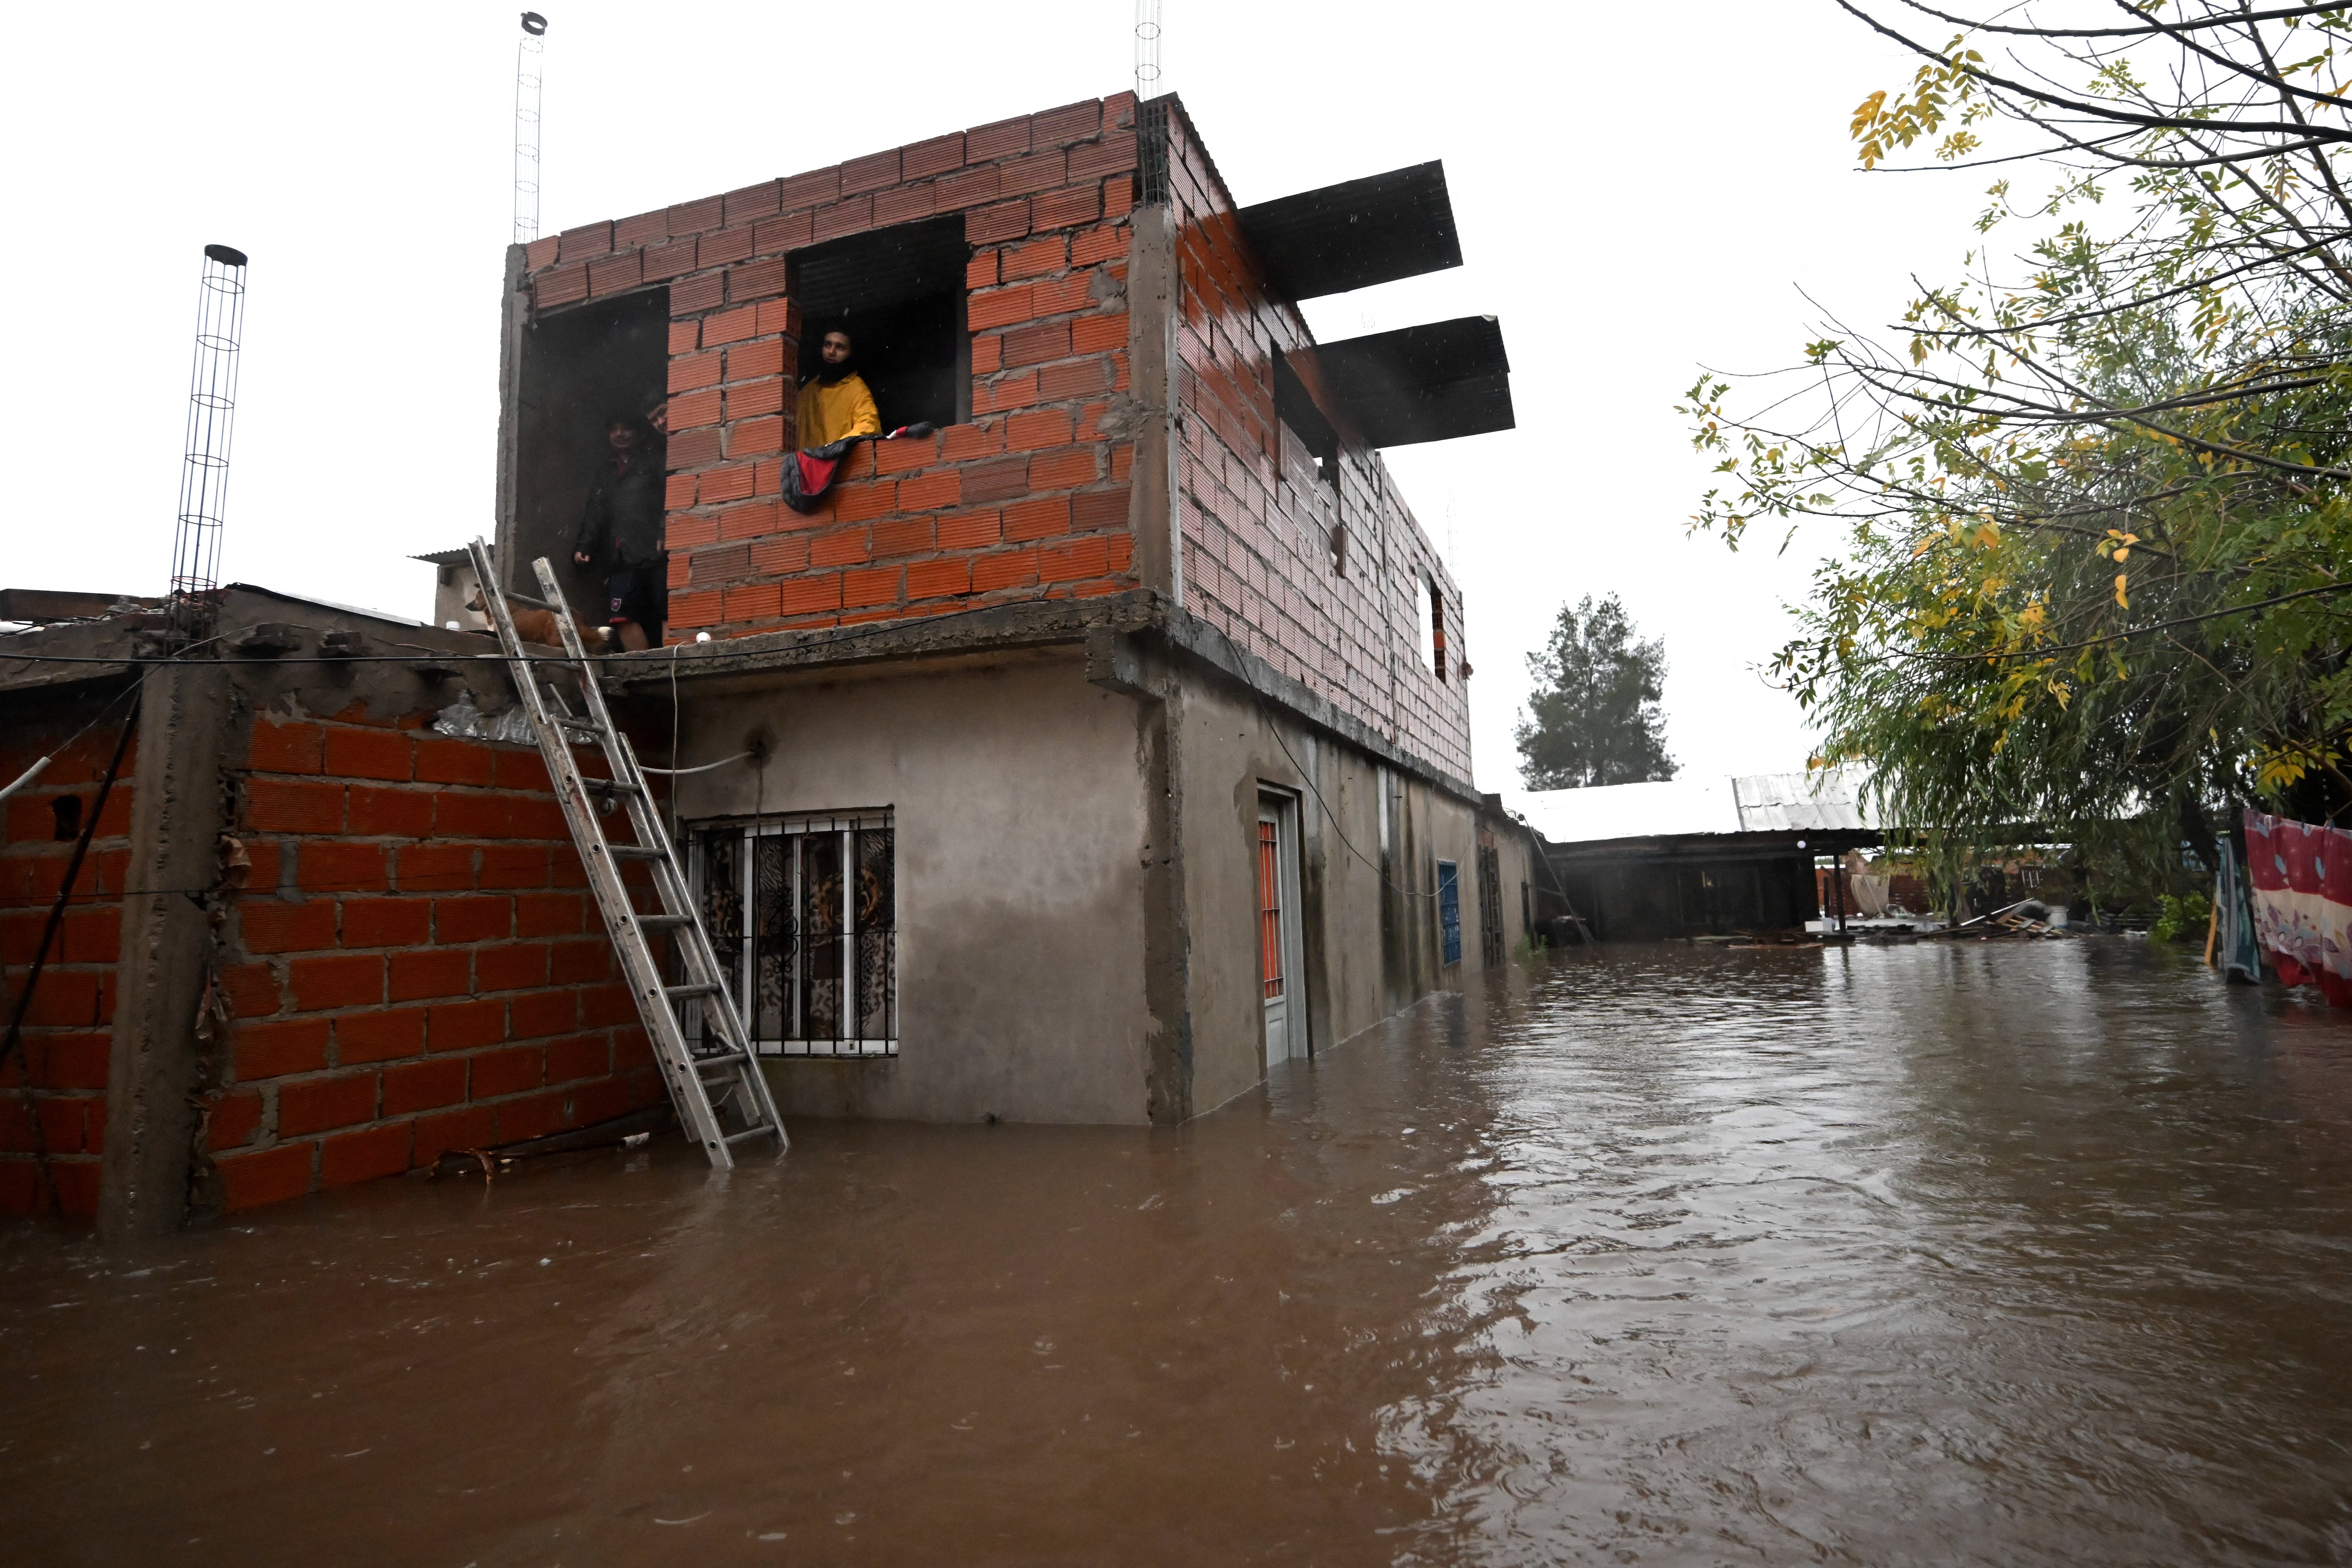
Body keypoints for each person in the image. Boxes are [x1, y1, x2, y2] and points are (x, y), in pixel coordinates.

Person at [571, 413, 666, 651]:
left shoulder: (654, 461)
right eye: (614, 429)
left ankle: (672, 665)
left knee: (667, 610)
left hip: (655, 551)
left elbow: (671, 496)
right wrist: (585, 545)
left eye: (626, 429)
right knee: (622, 616)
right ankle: (644, 671)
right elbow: (596, 510)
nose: (620, 434)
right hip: (621, 555)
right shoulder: (607, 471)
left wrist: (666, 532)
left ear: (640, 433)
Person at [796, 328, 881, 447]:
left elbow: (869, 426)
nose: (831, 352)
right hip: (806, 465)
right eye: (828, 345)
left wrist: (834, 449)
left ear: (850, 353)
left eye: (840, 347)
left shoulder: (856, 389)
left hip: (842, 463)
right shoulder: (807, 392)